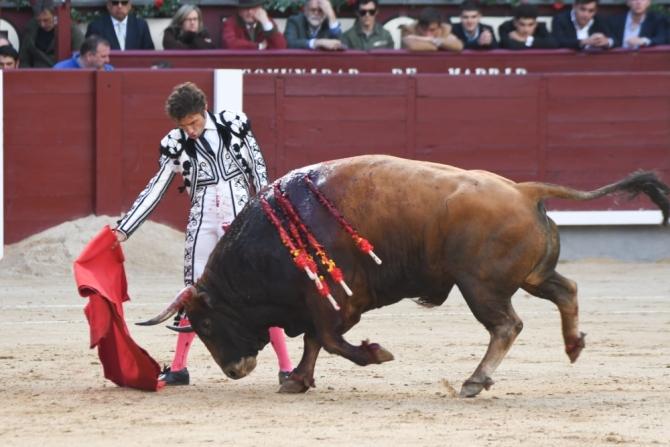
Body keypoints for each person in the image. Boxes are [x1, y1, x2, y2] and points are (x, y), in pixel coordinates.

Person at [113, 82, 294, 386]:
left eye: (194, 122)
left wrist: (268, 217)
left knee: (260, 290)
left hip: (241, 217)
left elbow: (259, 172)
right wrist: (124, 229)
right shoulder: (174, 143)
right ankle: (179, 367)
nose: (191, 131)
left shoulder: (234, 125)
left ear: (204, 110)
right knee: (195, 292)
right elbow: (155, 188)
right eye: (184, 126)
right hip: (202, 219)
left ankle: (287, 367)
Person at [19, 0, 85, 68]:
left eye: (46, 20)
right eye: (39, 21)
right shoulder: (31, 29)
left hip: (61, 74)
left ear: (55, 15)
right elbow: (24, 60)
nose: (42, 25)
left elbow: (79, 60)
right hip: (35, 74)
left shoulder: (73, 32)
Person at [86, 0, 155, 50]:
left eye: (124, 2)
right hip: (108, 68)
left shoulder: (141, 25)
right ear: (108, 5)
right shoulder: (96, 27)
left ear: (129, 5)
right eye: (115, 2)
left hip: (135, 68)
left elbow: (149, 52)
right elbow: (91, 53)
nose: (119, 6)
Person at [221, 0, 287, 50]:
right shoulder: (230, 23)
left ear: (260, 10)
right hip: (239, 64)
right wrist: (258, 46)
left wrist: (265, 22)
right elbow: (230, 44)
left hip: (263, 63)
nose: (250, 12)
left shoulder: (268, 22)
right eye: (246, 8)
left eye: (254, 8)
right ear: (239, 11)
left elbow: (281, 46)